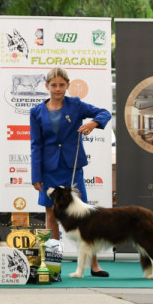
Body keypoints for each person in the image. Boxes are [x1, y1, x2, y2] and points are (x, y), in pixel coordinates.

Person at [30, 67, 111, 277]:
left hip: (72, 168)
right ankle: (53, 264)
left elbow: (104, 113)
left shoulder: (75, 105)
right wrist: (36, 175)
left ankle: (93, 264)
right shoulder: (36, 111)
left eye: (61, 85)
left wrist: (93, 123)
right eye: (54, 85)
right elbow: (35, 144)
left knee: (84, 216)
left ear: (67, 85)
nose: (57, 89)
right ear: (47, 86)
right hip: (48, 170)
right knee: (50, 214)